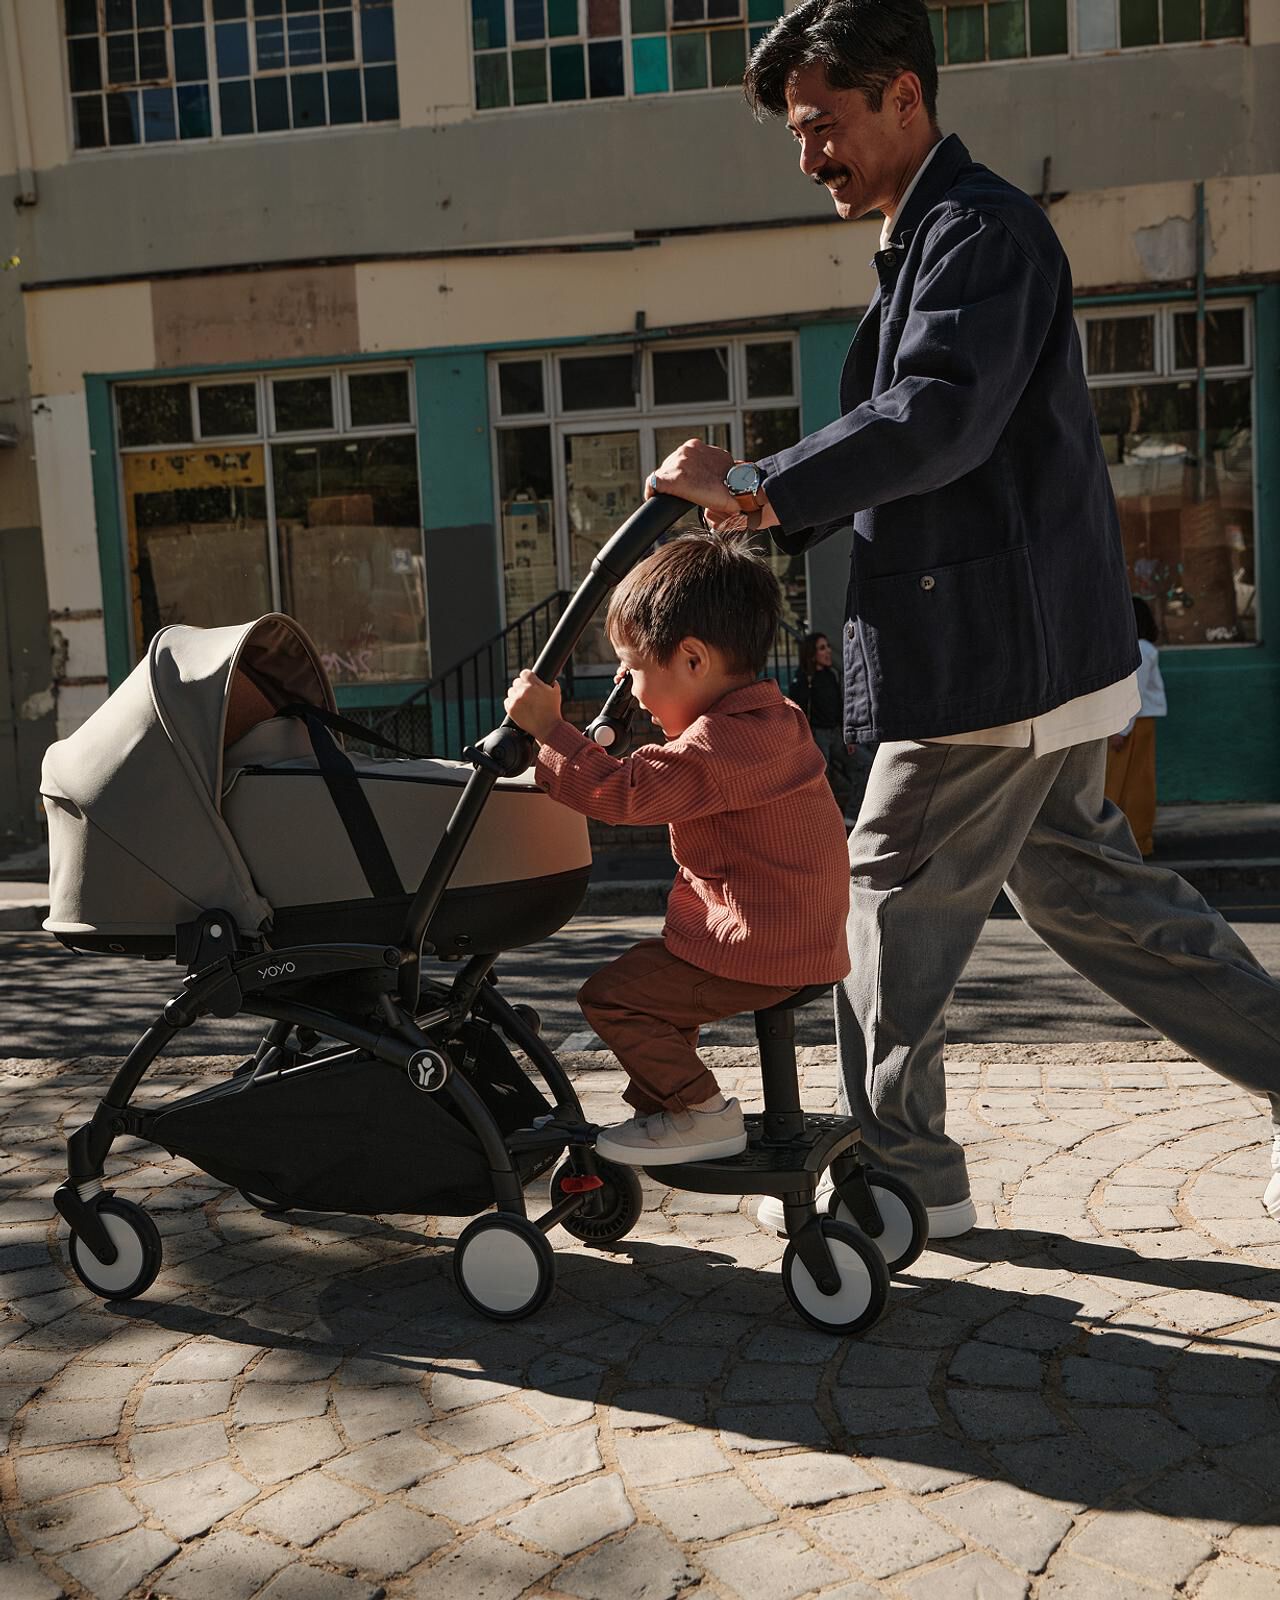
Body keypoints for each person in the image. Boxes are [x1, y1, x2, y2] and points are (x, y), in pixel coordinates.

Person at [642, 0, 1280, 1234]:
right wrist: (770, 506)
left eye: (822, 123)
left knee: (881, 891)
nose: (808, 155)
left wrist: (762, 489)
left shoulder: (978, 231)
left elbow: (937, 413)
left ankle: (902, 1179)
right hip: (1027, 652)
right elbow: (935, 434)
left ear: (903, 97)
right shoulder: (943, 233)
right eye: (795, 133)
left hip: (990, 663)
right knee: (1098, 903)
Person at [504, 530, 850, 1166]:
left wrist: (548, 731)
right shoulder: (778, 720)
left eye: (633, 668)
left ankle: (698, 1113)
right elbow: (666, 772)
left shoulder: (718, 748)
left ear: (693, 661)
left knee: (613, 995)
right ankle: (664, 1110)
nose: (629, 688)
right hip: (801, 937)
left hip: (757, 947)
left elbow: (629, 792)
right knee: (657, 984)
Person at [1104, 597, 1167, 857]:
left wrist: (1121, 729)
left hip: (1133, 724)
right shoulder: (1142, 647)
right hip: (1137, 723)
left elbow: (1134, 694)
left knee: (1128, 783)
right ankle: (1135, 841)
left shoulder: (1139, 648)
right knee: (1134, 782)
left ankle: (1134, 841)